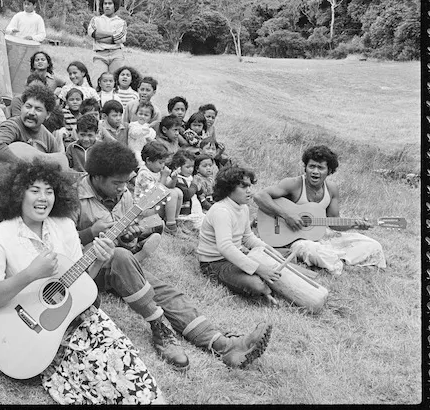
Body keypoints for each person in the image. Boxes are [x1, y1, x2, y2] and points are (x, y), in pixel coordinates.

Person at [0, 159, 164, 404]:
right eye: (34, 191)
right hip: (33, 330)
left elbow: (80, 287)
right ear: (16, 194)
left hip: (79, 319)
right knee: (90, 390)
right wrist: (30, 274)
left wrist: (98, 260)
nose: (43, 198)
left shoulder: (64, 226)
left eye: (49, 191)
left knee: (137, 383)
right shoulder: (1, 235)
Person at [75, 141, 273, 369]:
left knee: (167, 292)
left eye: (125, 182)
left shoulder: (124, 196)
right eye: (117, 183)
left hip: (115, 265)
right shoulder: (71, 198)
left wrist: (128, 237)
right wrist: (91, 232)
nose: (123, 188)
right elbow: (59, 245)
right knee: (119, 256)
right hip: (83, 274)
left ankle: (223, 345)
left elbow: (121, 241)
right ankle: (159, 326)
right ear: (96, 177)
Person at [254, 145, 384, 273]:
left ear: (329, 171)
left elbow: (334, 222)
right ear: (305, 167)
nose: (315, 171)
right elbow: (259, 196)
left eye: (320, 168)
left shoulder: (331, 189)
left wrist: (354, 225)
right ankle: (339, 262)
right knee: (312, 250)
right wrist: (286, 215)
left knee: (373, 245)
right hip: (296, 240)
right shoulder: (294, 184)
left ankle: (336, 262)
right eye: (311, 166)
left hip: (321, 236)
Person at [197, 167, 282, 304]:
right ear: (229, 188)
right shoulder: (221, 211)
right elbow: (225, 247)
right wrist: (259, 269)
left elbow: (248, 237)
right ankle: (264, 292)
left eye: (249, 186)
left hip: (235, 256)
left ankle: (267, 287)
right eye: (243, 186)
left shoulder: (243, 208)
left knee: (277, 264)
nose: (249, 190)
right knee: (257, 285)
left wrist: (269, 250)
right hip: (214, 263)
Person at [0, 83, 63, 166]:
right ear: (22, 106)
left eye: (38, 109)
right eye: (28, 106)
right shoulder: (11, 126)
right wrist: (24, 166)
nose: (31, 113)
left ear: (47, 115)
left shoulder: (49, 139)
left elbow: (59, 164)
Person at [135, 141, 183, 236]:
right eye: (160, 162)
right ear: (148, 161)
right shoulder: (144, 174)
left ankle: (173, 221)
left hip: (155, 206)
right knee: (171, 194)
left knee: (178, 192)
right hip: (144, 211)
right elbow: (154, 195)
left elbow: (169, 186)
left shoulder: (157, 170)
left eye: (164, 163)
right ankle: (170, 226)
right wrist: (164, 176)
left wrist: (174, 178)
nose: (163, 166)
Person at [87, 0, 127, 76]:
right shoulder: (95, 20)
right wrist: (112, 34)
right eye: (105, 3)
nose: (107, 6)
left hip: (116, 55)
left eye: (110, 3)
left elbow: (120, 38)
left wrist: (101, 37)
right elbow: (93, 33)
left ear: (115, 5)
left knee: (116, 82)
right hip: (100, 55)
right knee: (98, 82)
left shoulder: (121, 22)